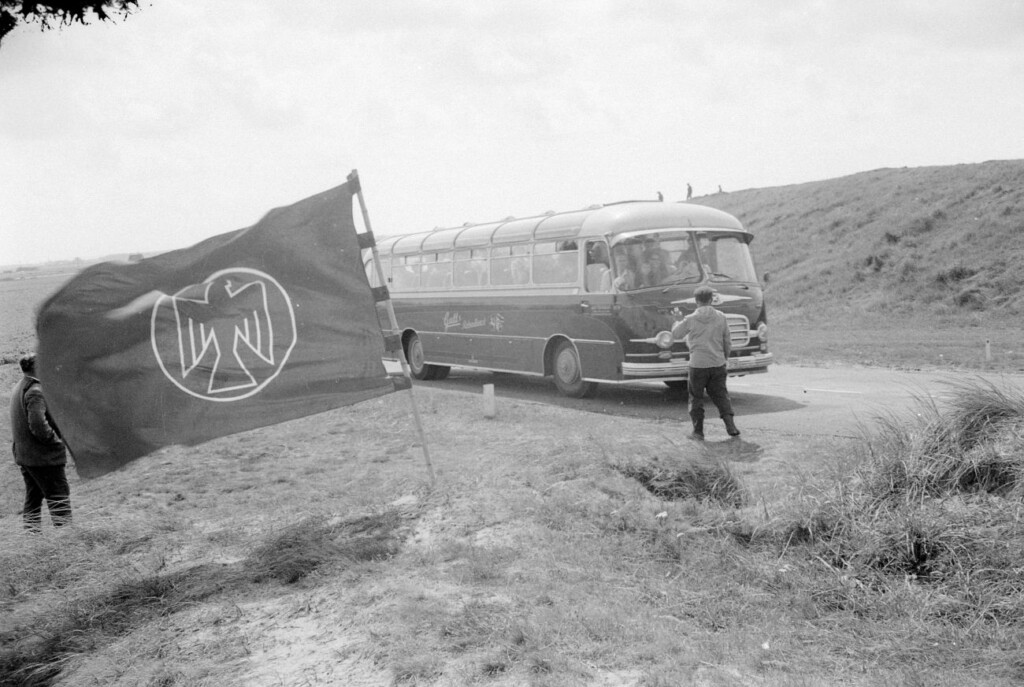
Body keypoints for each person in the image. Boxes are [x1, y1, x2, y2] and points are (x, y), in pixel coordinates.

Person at [10, 354, 72, 530]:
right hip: (43, 458)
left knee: (33, 498)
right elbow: (38, 425)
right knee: (59, 497)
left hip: (26, 456)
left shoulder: (19, 387)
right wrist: (56, 442)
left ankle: (31, 539)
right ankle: (68, 539)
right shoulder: (36, 391)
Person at [671, 287, 740, 440]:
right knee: (721, 395)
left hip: (697, 365)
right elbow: (727, 341)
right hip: (717, 363)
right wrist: (724, 358)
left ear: (696, 301)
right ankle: (731, 426)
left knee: (696, 398)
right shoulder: (721, 317)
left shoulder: (690, 319)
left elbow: (676, 334)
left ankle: (698, 431)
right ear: (711, 300)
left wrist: (676, 320)